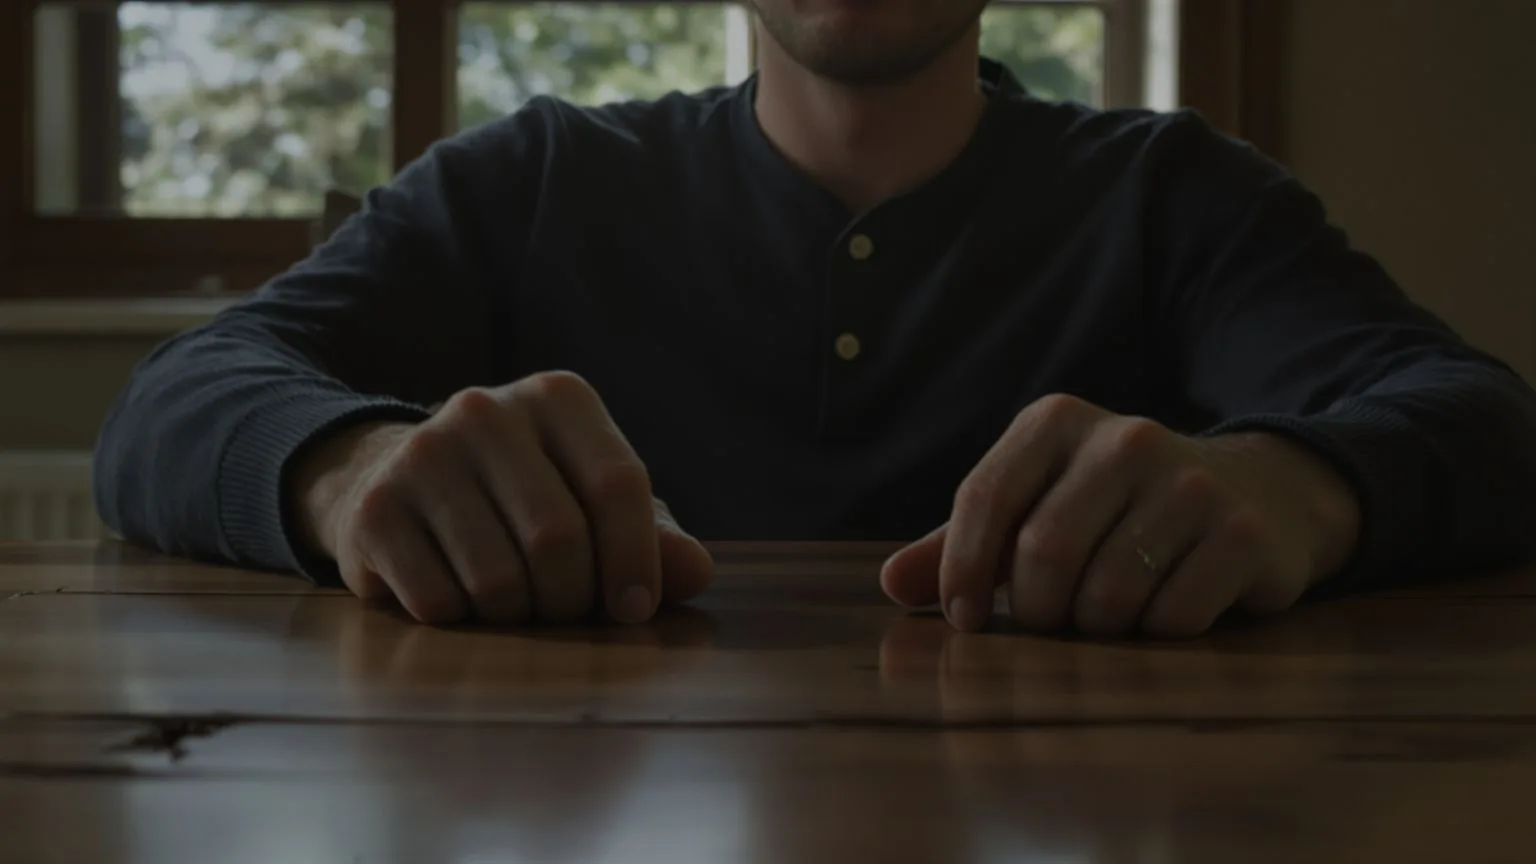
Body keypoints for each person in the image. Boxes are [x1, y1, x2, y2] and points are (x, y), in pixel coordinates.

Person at [94, 0, 1536, 639]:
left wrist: (1299, 491)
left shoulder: (1177, 195)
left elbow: (1484, 421)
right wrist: (347, 474)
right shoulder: (530, 177)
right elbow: (174, 400)